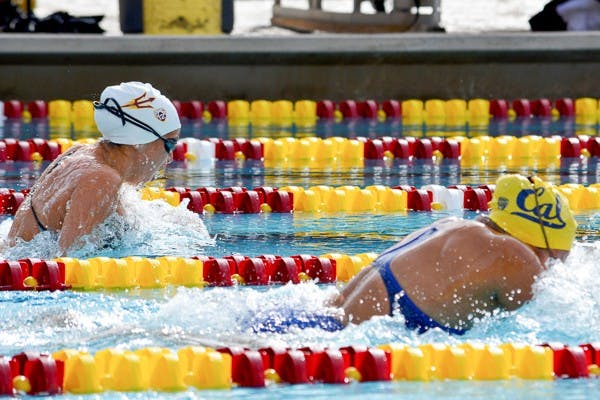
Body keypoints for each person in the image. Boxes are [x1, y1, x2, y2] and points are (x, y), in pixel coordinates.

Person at [254, 174, 577, 335]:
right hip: (339, 342)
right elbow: (551, 321)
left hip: (312, 322)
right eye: (551, 257)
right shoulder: (516, 255)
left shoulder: (451, 226)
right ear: (537, 239)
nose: (546, 267)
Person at [7, 81, 181, 255]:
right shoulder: (102, 180)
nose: (171, 157)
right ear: (138, 141)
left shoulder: (82, 152)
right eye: (169, 144)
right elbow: (70, 263)